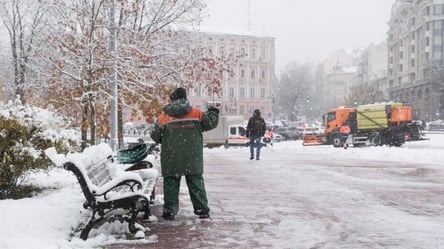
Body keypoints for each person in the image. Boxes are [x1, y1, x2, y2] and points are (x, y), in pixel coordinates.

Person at [150, 87, 219, 220]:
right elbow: (210, 123)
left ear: (172, 99)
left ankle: (170, 211)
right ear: (185, 98)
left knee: (171, 183)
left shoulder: (164, 117)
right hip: (192, 156)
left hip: (171, 157)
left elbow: (155, 136)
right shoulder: (196, 113)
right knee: (196, 183)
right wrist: (214, 111)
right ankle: (201, 209)